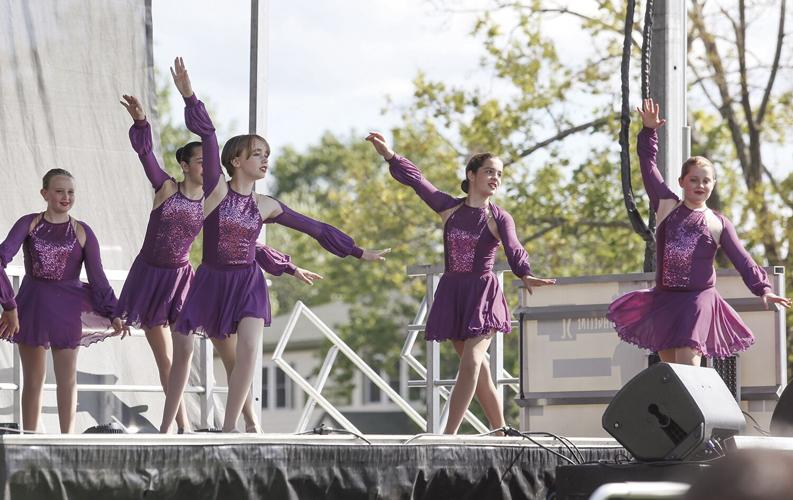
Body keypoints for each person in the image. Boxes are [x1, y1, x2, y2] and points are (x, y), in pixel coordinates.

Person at [160, 57, 388, 433]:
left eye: (267, 155)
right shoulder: (216, 190)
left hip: (248, 283)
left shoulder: (266, 205)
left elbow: (315, 228)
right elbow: (208, 134)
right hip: (212, 280)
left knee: (250, 349)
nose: (265, 160)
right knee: (186, 346)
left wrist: (358, 251)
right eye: (257, 154)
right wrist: (188, 94)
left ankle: (230, 426)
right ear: (236, 161)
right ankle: (172, 424)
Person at [115, 94, 319, 432]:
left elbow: (247, 245)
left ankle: (250, 421)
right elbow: (146, 156)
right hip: (151, 278)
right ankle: (178, 427)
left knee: (231, 354)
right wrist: (140, 124)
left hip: (184, 278)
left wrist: (287, 265)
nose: (204, 167)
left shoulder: (216, 200)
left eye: (205, 163)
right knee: (170, 355)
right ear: (185, 166)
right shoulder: (166, 188)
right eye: (197, 162)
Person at [366, 131, 556, 435]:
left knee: (470, 363)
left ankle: (448, 435)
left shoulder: (499, 217)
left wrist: (524, 272)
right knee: (479, 374)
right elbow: (418, 181)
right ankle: (502, 430)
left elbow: (514, 246)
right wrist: (390, 155)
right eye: (489, 172)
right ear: (471, 175)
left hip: (483, 295)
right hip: (454, 293)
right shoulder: (449, 208)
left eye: (500, 174)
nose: (496, 178)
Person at [608, 98, 791, 366]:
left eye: (706, 181)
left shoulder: (718, 222)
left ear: (713, 185)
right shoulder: (667, 206)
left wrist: (763, 288)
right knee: (670, 372)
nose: (700, 185)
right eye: (693, 179)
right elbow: (648, 166)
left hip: (698, 300)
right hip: (665, 299)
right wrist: (649, 131)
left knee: (688, 366)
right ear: (682, 182)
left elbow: (742, 259)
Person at [0, 169, 125, 433]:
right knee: (33, 380)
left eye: (70, 192)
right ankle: (30, 439)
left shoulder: (82, 231)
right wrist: (9, 304)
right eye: (59, 191)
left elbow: (98, 277)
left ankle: (67, 441)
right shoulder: (29, 223)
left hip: (68, 309)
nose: (65, 196)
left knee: (67, 380)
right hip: (32, 305)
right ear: (44, 194)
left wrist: (114, 313)